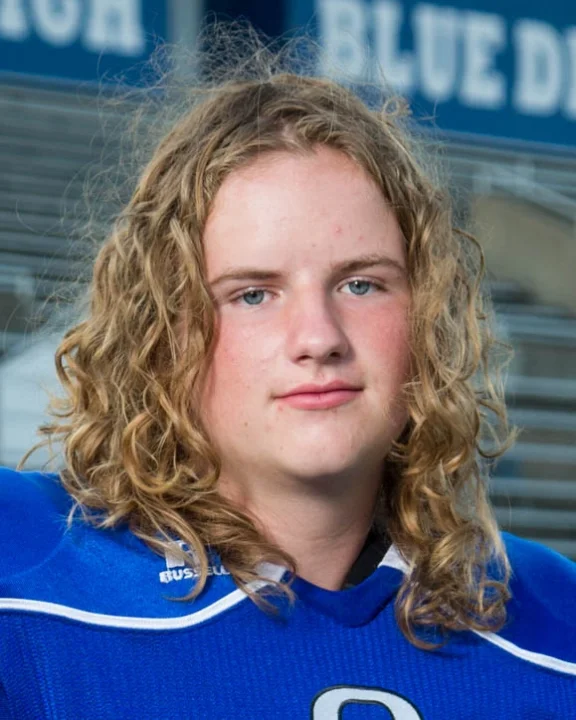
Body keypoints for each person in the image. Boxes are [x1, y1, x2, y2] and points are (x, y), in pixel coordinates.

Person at [1, 33, 575, 720]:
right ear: (163, 331)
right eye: (253, 294)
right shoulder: (27, 570)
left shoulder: (552, 627)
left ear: (427, 316)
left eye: (361, 284)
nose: (318, 338)